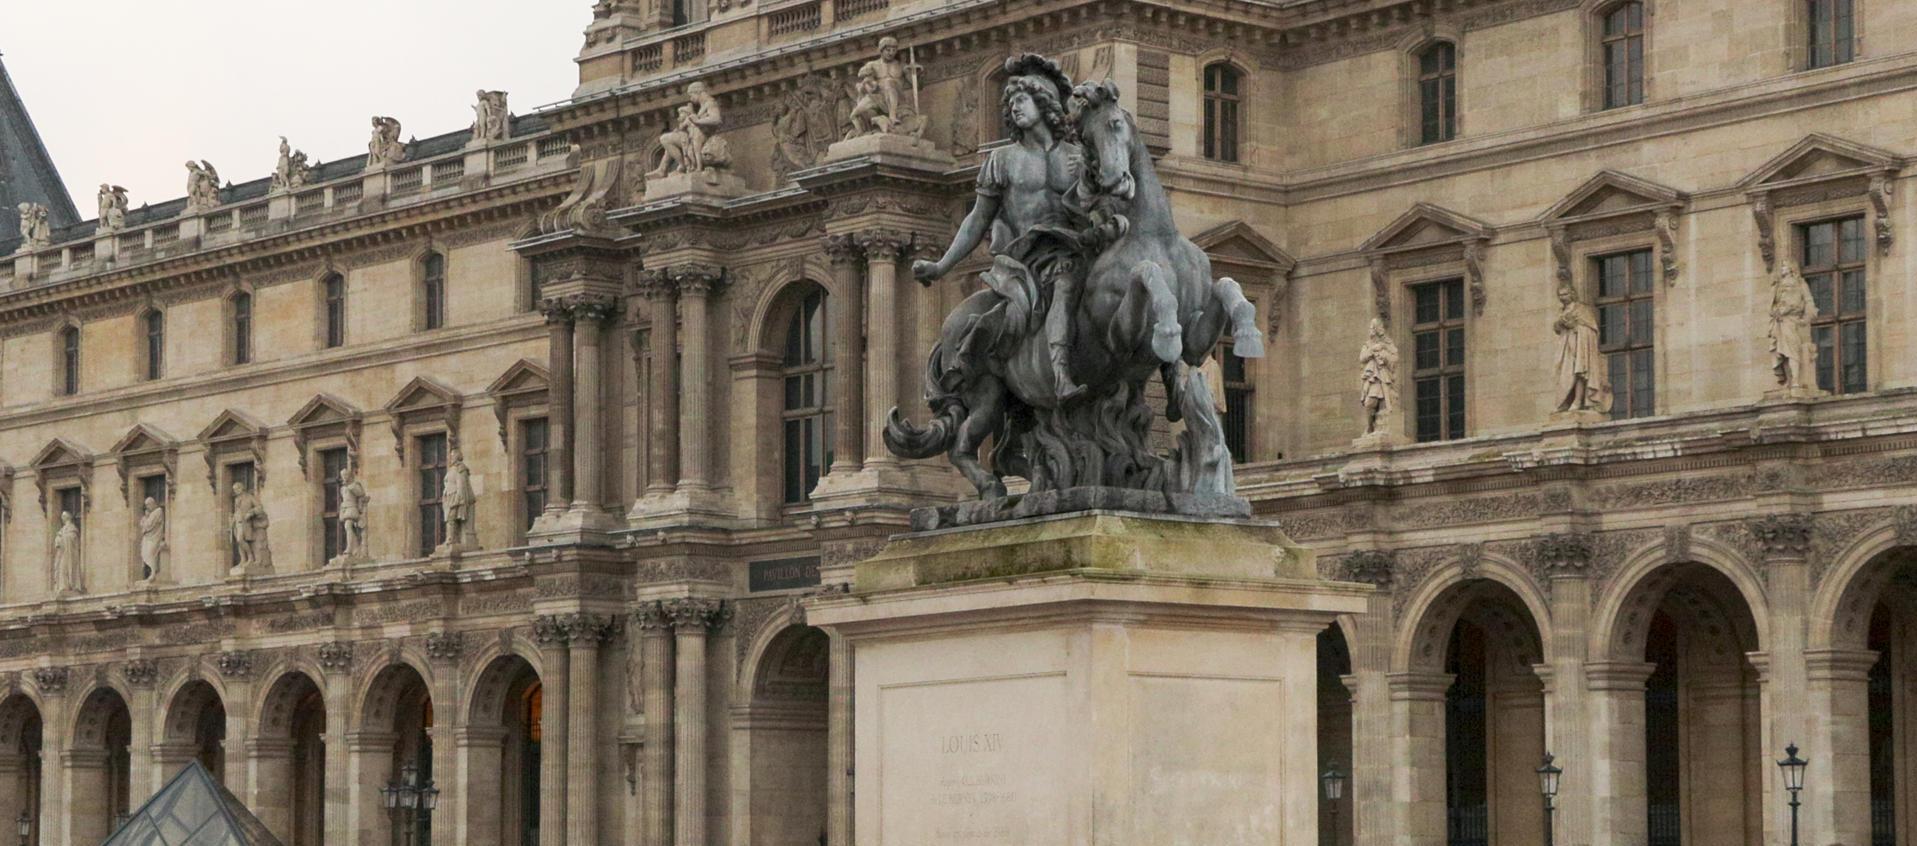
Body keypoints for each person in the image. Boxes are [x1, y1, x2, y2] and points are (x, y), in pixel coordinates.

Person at [912, 54, 1086, 401]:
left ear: (1044, 102)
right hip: (1023, 261)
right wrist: (941, 266)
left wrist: (1090, 175)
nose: (1014, 108)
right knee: (981, 319)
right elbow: (977, 219)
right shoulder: (1002, 160)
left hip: (1073, 251)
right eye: (1010, 102)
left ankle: (1071, 372)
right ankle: (1043, 374)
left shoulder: (1076, 156)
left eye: (1021, 100)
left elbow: (1103, 206)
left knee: (1090, 287)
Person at [1552, 283, 1611, 413]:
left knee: (1580, 372)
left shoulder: (1582, 309)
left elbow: (1591, 328)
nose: (1563, 298)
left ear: (1572, 294)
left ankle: (1578, 401)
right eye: (1560, 295)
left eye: (1565, 294)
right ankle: (1564, 402)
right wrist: (1561, 323)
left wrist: (1575, 326)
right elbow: (1556, 328)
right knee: (1565, 374)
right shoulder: (1561, 311)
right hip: (1565, 347)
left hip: (1580, 343)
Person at [1768, 262, 1819, 390]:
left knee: (1793, 352)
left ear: (1791, 269)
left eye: (1784, 266)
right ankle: (1790, 380)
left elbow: (1808, 302)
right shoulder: (1777, 286)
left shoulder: (1800, 283)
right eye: (1781, 266)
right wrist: (1776, 312)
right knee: (1782, 352)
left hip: (1794, 321)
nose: (1782, 269)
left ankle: (1795, 379)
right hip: (1781, 321)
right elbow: (1772, 304)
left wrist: (1806, 318)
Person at [1357, 318, 1398, 434]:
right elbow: (1362, 357)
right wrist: (1373, 350)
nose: (1373, 330)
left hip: (1384, 377)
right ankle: (1370, 427)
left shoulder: (1388, 344)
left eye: (1375, 327)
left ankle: (1379, 429)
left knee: (1382, 406)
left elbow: (1394, 359)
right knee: (1369, 403)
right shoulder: (1367, 345)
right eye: (1372, 328)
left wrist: (1383, 355)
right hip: (1372, 378)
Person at [441, 448, 475, 547]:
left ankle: (451, 539)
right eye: (450, 455)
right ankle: (451, 538)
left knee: (451, 518)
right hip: (449, 496)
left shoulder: (461, 468)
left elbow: (462, 485)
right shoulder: (452, 469)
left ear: (457, 456)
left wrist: (459, 499)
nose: (450, 457)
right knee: (449, 518)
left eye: (452, 455)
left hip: (455, 496)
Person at [231, 481, 267, 569]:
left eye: (238, 488)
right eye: (235, 489)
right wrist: (232, 521)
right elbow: (237, 511)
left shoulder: (249, 497)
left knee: (241, 539)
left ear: (242, 488)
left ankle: (250, 557)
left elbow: (259, 507)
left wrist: (251, 513)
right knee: (239, 542)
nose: (236, 491)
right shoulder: (236, 500)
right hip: (237, 522)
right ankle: (243, 559)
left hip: (246, 522)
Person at [338, 462, 369, 559]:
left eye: (345, 475)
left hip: (353, 508)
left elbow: (361, 495)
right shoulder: (343, 489)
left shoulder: (354, 486)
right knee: (348, 528)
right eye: (342, 476)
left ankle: (349, 548)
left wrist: (360, 509)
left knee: (348, 526)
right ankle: (354, 548)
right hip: (346, 509)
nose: (344, 477)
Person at [52, 511, 80, 593]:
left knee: (67, 568)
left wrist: (63, 538)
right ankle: (63, 586)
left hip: (69, 553)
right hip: (63, 553)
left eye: (63, 517)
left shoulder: (72, 528)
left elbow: (73, 538)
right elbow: (59, 538)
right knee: (61, 569)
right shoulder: (62, 529)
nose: (62, 519)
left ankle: (71, 585)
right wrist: (58, 539)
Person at [139, 496, 167, 580]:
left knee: (151, 554)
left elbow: (149, 525)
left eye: (148, 504)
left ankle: (153, 573)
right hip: (148, 538)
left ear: (153, 504)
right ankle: (150, 573)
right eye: (146, 505)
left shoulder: (158, 512)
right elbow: (145, 525)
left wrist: (145, 522)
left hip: (155, 537)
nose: (147, 507)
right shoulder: (150, 515)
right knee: (146, 554)